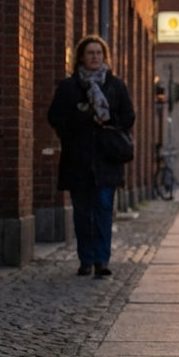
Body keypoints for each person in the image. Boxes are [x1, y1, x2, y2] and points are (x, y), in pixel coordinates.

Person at [47, 35, 136, 278]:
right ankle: (85, 259)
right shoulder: (69, 87)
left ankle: (101, 260)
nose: (95, 57)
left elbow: (129, 116)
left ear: (104, 57)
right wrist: (85, 119)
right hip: (78, 160)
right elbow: (55, 117)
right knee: (82, 212)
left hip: (107, 159)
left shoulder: (116, 85)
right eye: (90, 53)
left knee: (104, 209)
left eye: (99, 53)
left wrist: (109, 122)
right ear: (81, 58)